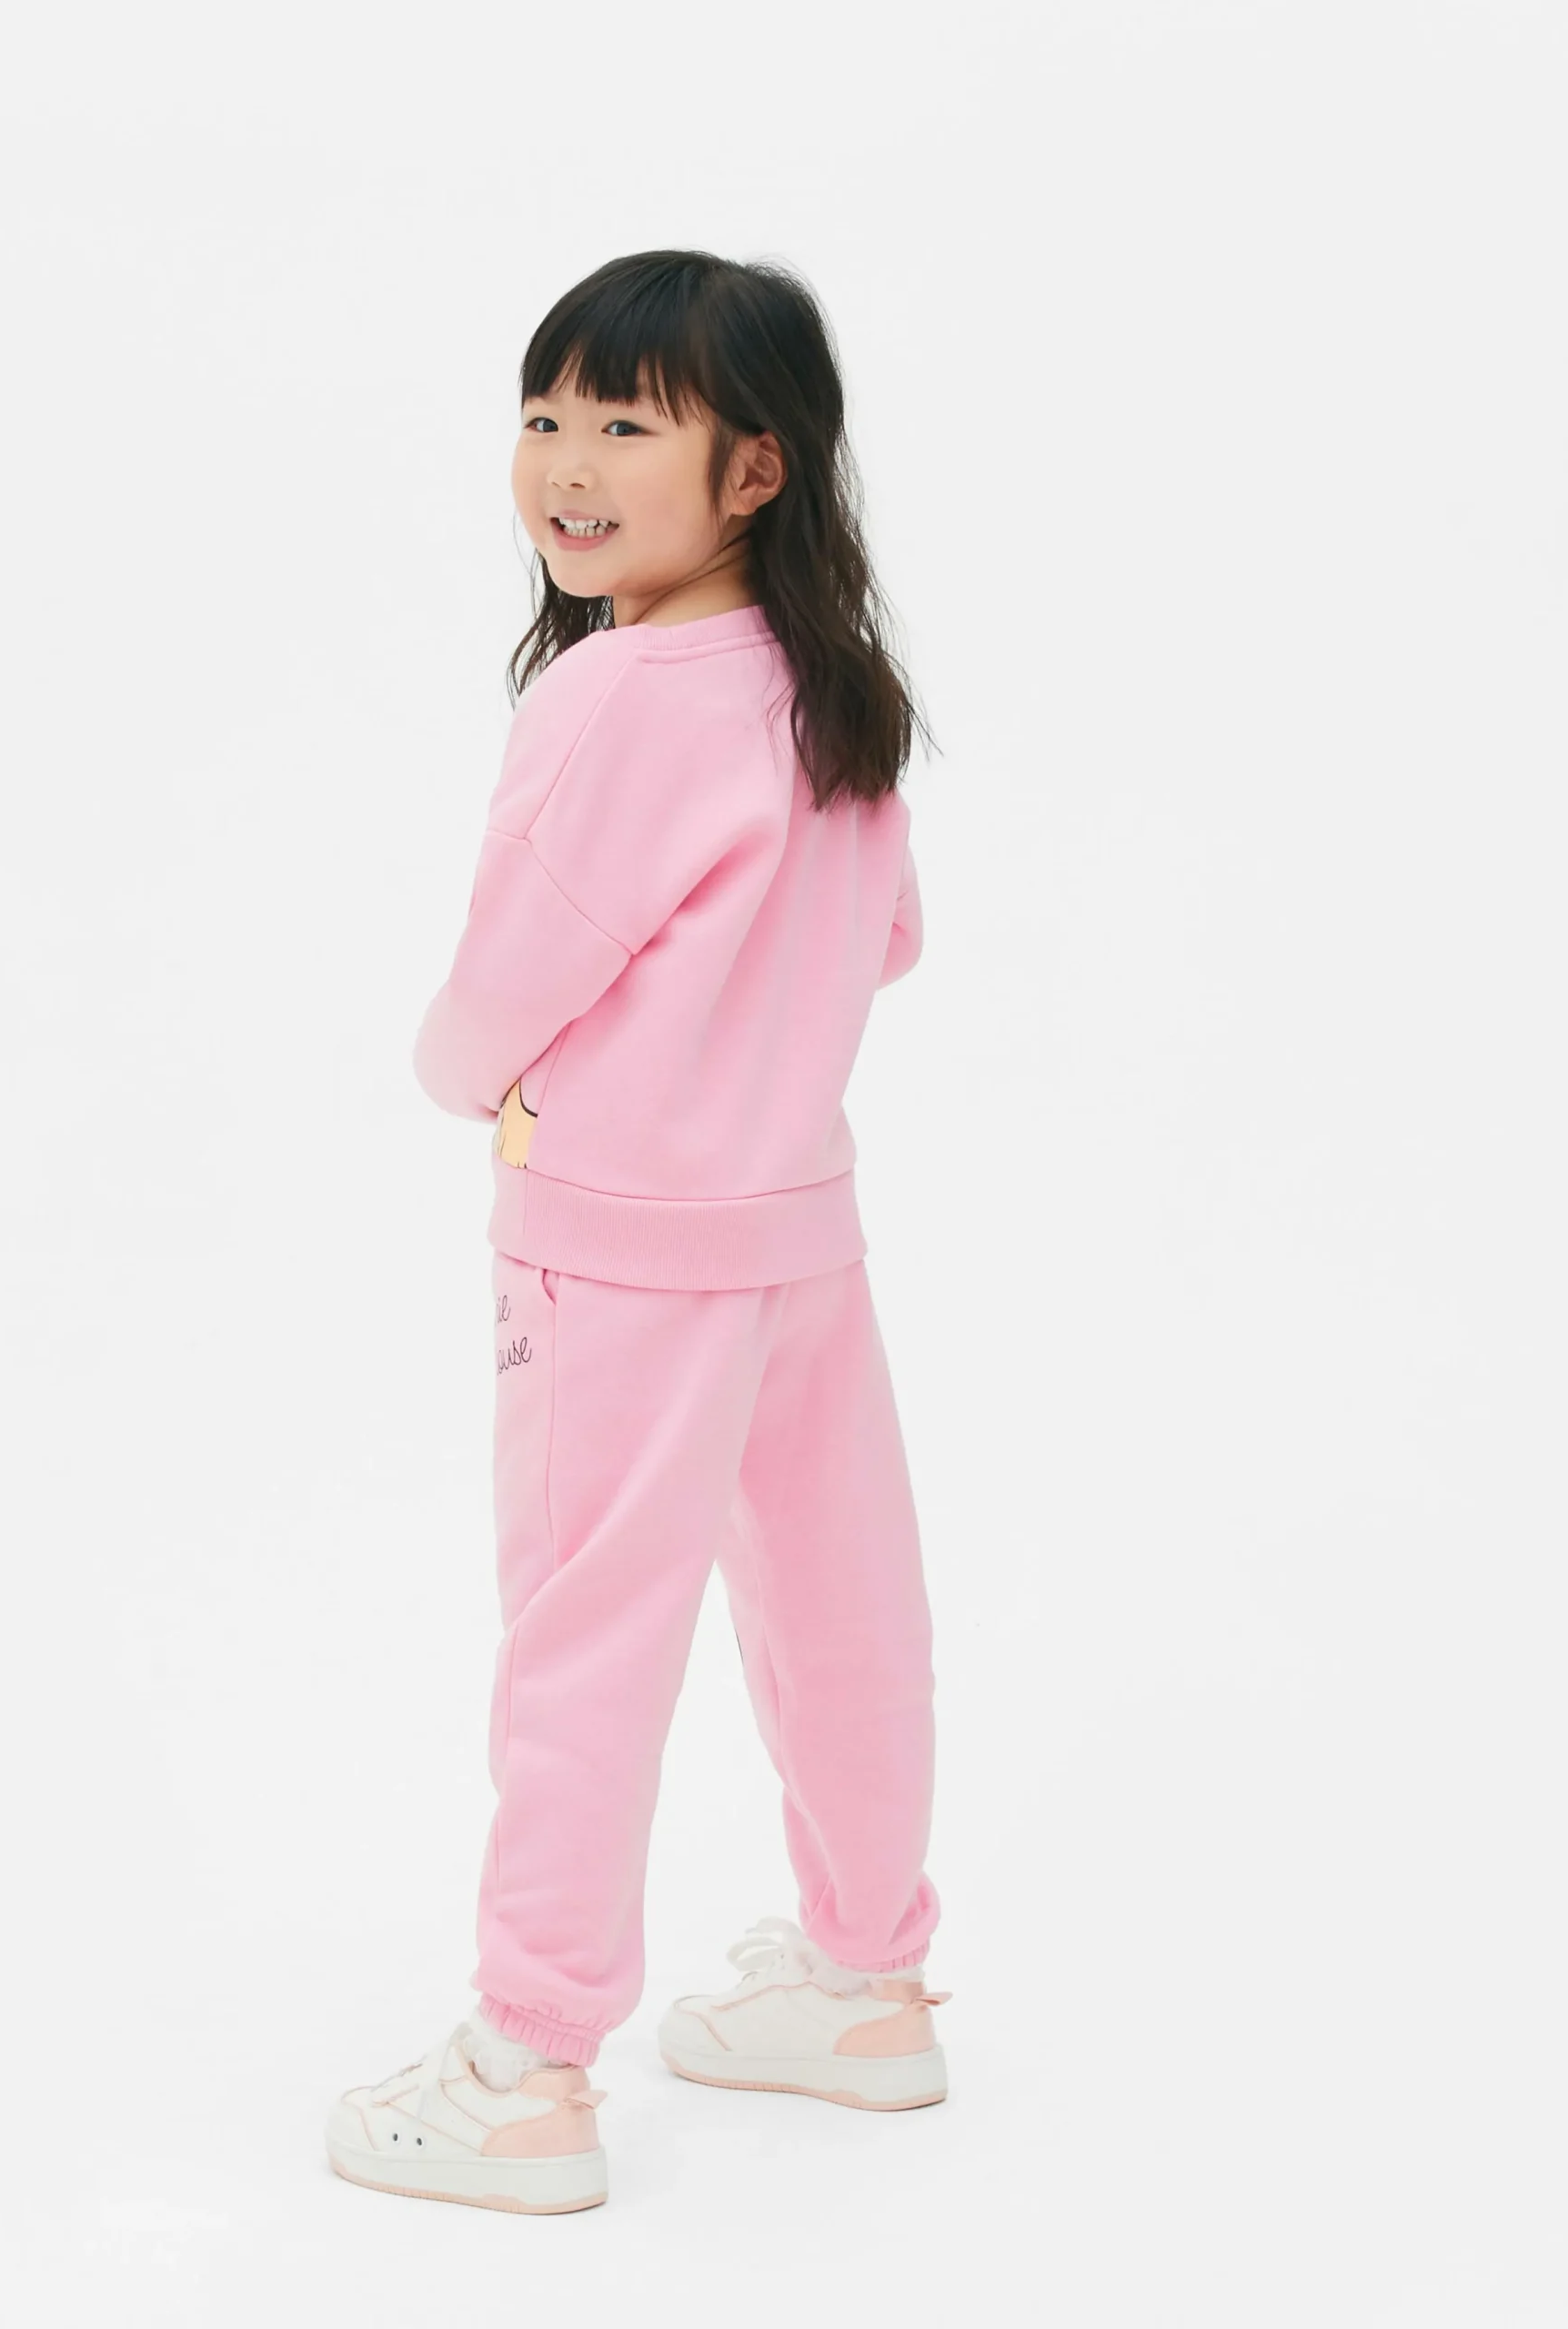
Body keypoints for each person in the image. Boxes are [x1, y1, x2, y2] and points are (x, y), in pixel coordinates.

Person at [326, 249, 950, 2215]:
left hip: (618, 1246)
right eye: (545, 415)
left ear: (755, 470)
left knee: (584, 1643)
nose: (568, 465)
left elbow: (511, 980)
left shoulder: (615, 695)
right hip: (798, 1233)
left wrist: (459, 1074)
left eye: (625, 423)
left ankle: (527, 2070)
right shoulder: (832, 685)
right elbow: (889, 939)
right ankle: (867, 1981)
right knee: (842, 1606)